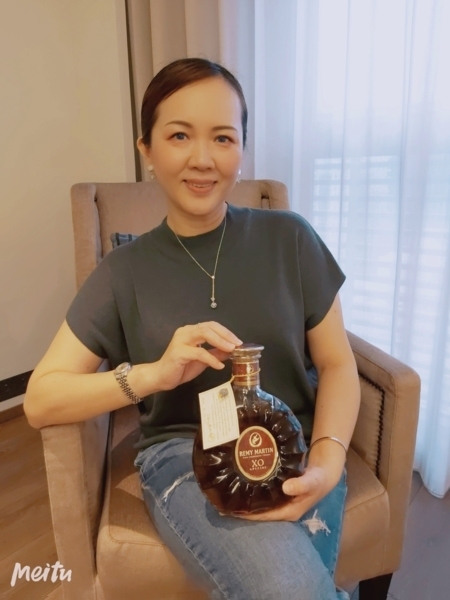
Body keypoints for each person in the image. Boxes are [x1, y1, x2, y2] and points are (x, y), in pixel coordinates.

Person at [24, 58, 360, 600]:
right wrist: (153, 376)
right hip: (186, 454)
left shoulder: (290, 239)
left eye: (223, 138)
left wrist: (327, 456)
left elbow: (338, 363)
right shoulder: (124, 271)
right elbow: (41, 399)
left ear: (242, 150)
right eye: (179, 135)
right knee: (290, 587)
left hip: (293, 442)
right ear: (147, 149)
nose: (203, 159)